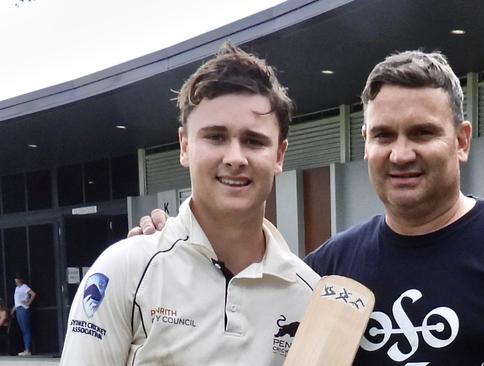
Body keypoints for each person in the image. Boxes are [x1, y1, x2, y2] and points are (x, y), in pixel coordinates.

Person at [135, 50, 484, 364]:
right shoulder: (326, 270)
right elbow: (234, 327)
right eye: (384, 135)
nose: (400, 153)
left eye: (423, 133)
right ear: (364, 143)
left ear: (461, 142)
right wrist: (173, 252)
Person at [60, 43, 319, 365]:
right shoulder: (125, 269)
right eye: (215, 137)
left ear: (279, 154)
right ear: (185, 146)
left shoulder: (309, 296)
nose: (235, 158)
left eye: (254, 141)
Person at [11, 273, 36, 357]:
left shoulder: (24, 287)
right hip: (18, 309)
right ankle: (26, 348)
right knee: (23, 330)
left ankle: (28, 349)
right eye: (15, 279)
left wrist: (28, 302)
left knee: (26, 329)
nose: (16, 280)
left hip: (23, 308)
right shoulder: (16, 289)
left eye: (18, 279)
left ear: (21, 280)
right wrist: (13, 310)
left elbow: (33, 294)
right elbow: (17, 301)